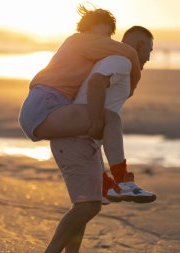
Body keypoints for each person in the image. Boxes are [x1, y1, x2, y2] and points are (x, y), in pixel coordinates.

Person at [19, 5, 147, 203]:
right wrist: (132, 85)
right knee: (109, 119)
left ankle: (105, 183)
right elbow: (129, 53)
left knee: (94, 128)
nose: (106, 41)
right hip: (44, 106)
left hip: (47, 107)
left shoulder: (87, 49)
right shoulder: (79, 41)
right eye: (105, 34)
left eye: (109, 37)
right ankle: (123, 181)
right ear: (92, 27)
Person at [46, 25, 155, 253]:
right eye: (149, 51)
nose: (148, 58)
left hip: (81, 141)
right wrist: (97, 123)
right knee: (88, 206)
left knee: (86, 205)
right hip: (76, 140)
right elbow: (96, 83)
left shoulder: (116, 60)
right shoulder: (122, 61)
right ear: (140, 46)